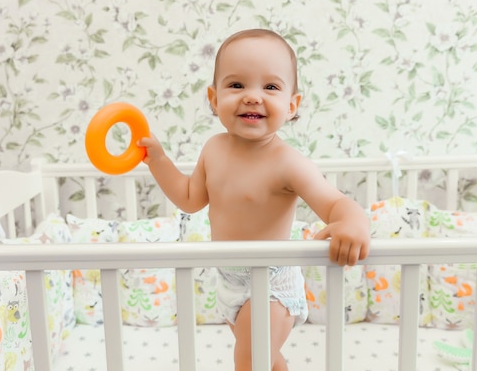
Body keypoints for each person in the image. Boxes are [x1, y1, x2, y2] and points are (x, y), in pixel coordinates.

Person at [139, 28, 370, 371]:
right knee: (267, 361)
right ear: (214, 98)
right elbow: (189, 199)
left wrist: (353, 222)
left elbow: (335, 203)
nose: (252, 97)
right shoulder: (213, 149)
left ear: (292, 106)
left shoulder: (288, 162)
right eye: (236, 85)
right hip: (230, 280)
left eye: (271, 87)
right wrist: (158, 161)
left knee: (248, 361)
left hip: (272, 283)